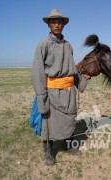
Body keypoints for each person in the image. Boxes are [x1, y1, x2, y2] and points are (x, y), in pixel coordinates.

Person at [31, 9, 89, 165]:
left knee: (69, 118)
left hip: (69, 91)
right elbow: (37, 71)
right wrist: (41, 96)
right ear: (49, 24)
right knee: (49, 121)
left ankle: (67, 143)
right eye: (53, 22)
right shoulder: (44, 44)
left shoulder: (68, 45)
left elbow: (72, 68)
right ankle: (48, 151)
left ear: (64, 24)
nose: (57, 25)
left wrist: (81, 81)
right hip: (52, 91)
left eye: (60, 22)